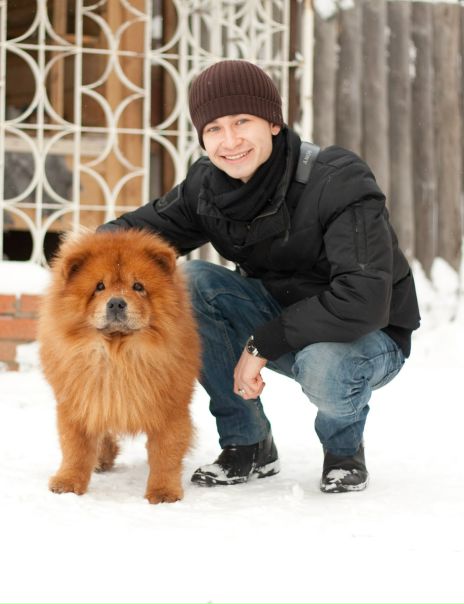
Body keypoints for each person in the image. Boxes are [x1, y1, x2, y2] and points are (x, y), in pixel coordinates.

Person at [100, 60, 420, 493]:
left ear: (272, 122)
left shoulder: (337, 179)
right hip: (278, 314)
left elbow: (363, 299)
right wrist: (81, 262)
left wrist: (261, 343)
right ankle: (248, 444)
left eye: (241, 122)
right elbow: (137, 233)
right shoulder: (207, 186)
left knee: (326, 365)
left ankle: (343, 451)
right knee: (192, 283)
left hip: (368, 333)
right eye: (214, 128)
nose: (229, 141)